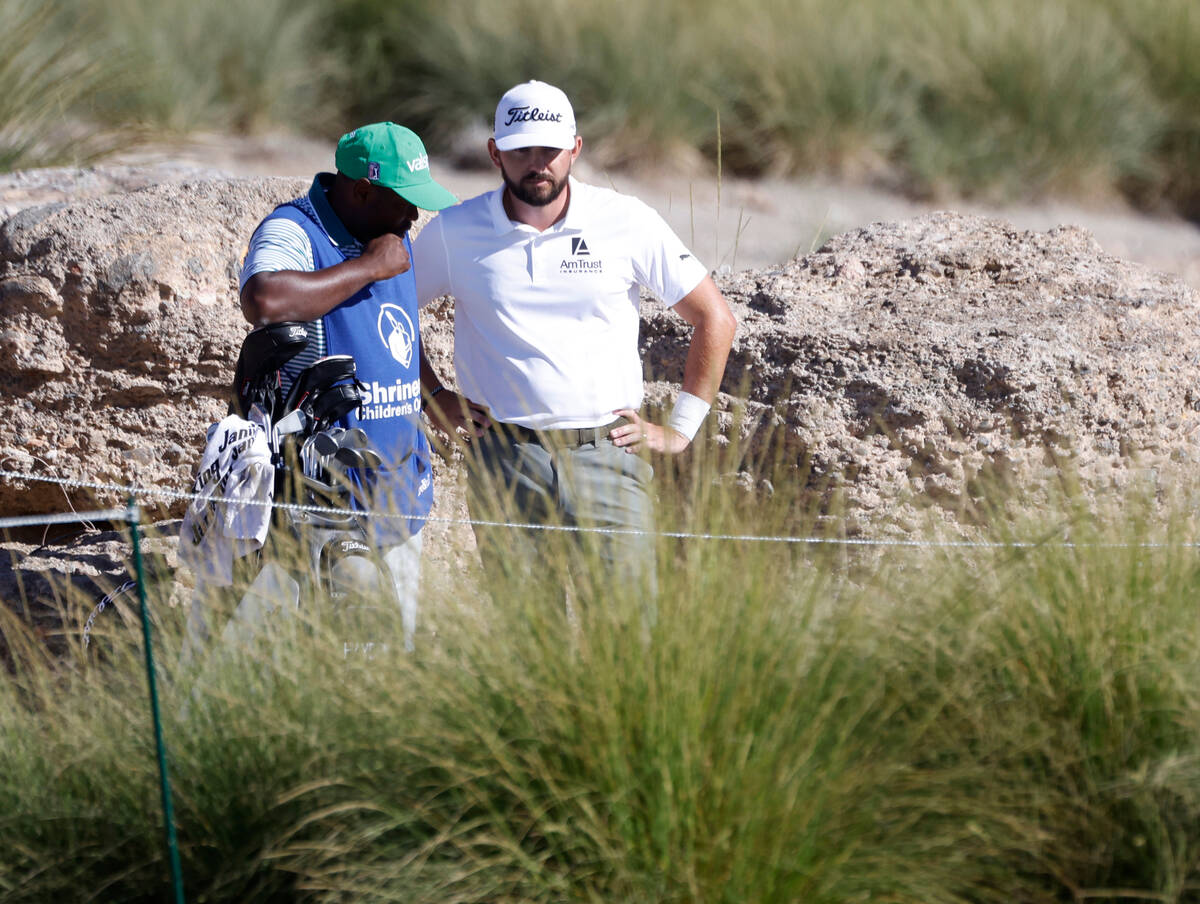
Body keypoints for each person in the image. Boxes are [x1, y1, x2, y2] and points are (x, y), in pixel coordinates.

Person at [413, 80, 737, 599]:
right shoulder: (454, 231)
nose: (537, 162)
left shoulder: (626, 220)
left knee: (627, 634)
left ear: (575, 149)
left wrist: (680, 430)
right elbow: (389, 313)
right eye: (521, 150)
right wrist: (434, 397)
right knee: (525, 637)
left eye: (550, 149)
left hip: (608, 453)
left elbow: (714, 318)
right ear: (496, 152)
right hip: (506, 459)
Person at [237, 121, 458, 648]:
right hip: (318, 502)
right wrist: (365, 267)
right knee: (310, 658)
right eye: (404, 202)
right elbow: (264, 299)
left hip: (397, 493)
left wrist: (434, 394)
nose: (414, 216)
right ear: (361, 190)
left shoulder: (390, 238)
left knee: (388, 659)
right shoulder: (296, 230)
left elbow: (397, 331)